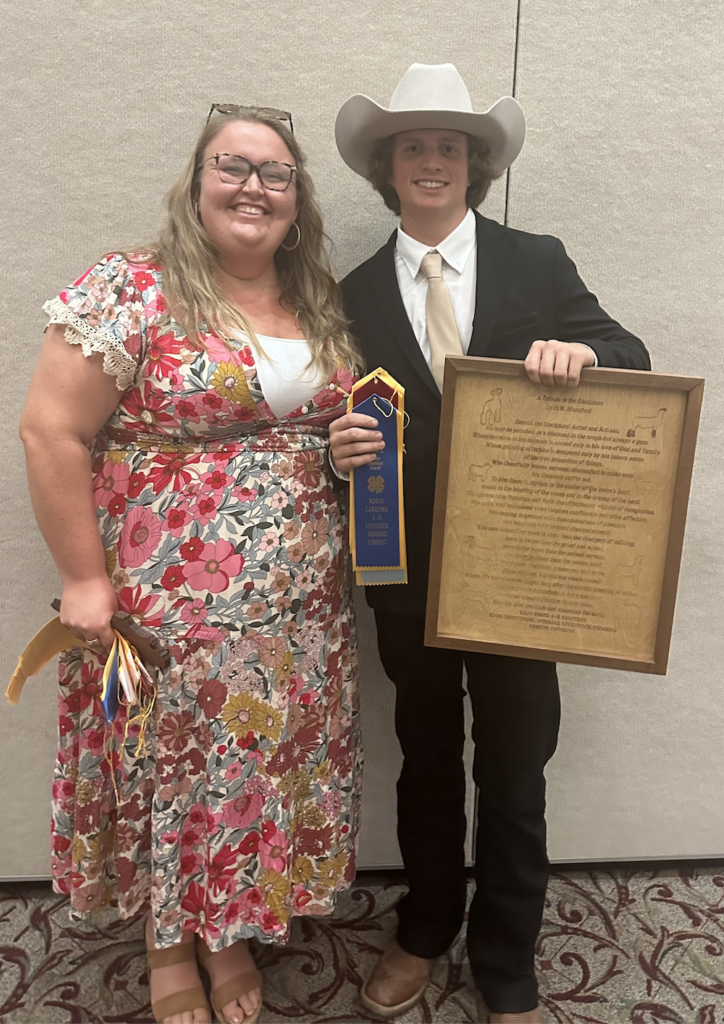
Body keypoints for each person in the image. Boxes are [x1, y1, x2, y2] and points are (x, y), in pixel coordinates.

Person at [20, 103, 363, 1024]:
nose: (254, 185)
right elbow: (51, 430)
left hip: (295, 607)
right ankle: (168, 939)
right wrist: (85, 580)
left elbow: (298, 431)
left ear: (297, 201)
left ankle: (228, 928)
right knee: (167, 766)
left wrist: (339, 452)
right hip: (163, 601)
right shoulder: (131, 288)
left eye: (275, 173)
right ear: (197, 180)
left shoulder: (313, 297)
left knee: (249, 764)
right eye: (233, 165)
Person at [329, 63, 650, 1023]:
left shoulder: (535, 261)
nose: (431, 162)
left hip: (522, 574)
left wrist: (583, 354)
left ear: (475, 167)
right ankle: (426, 924)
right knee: (424, 761)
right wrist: (337, 453)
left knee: (514, 769)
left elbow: (629, 355)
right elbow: (327, 430)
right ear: (388, 170)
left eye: (449, 147)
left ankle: (507, 955)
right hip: (405, 581)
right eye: (413, 148)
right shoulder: (342, 294)